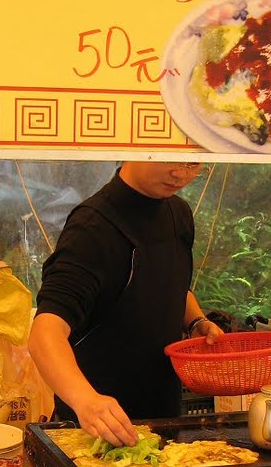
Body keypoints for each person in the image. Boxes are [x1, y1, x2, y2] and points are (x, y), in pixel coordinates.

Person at [28, 161, 222, 446]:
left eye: (194, 165)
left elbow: (173, 285)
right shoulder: (92, 228)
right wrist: (85, 400)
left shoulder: (178, 214)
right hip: (95, 431)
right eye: (170, 161)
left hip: (164, 418)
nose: (182, 174)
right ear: (135, 144)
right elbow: (44, 333)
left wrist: (196, 321)